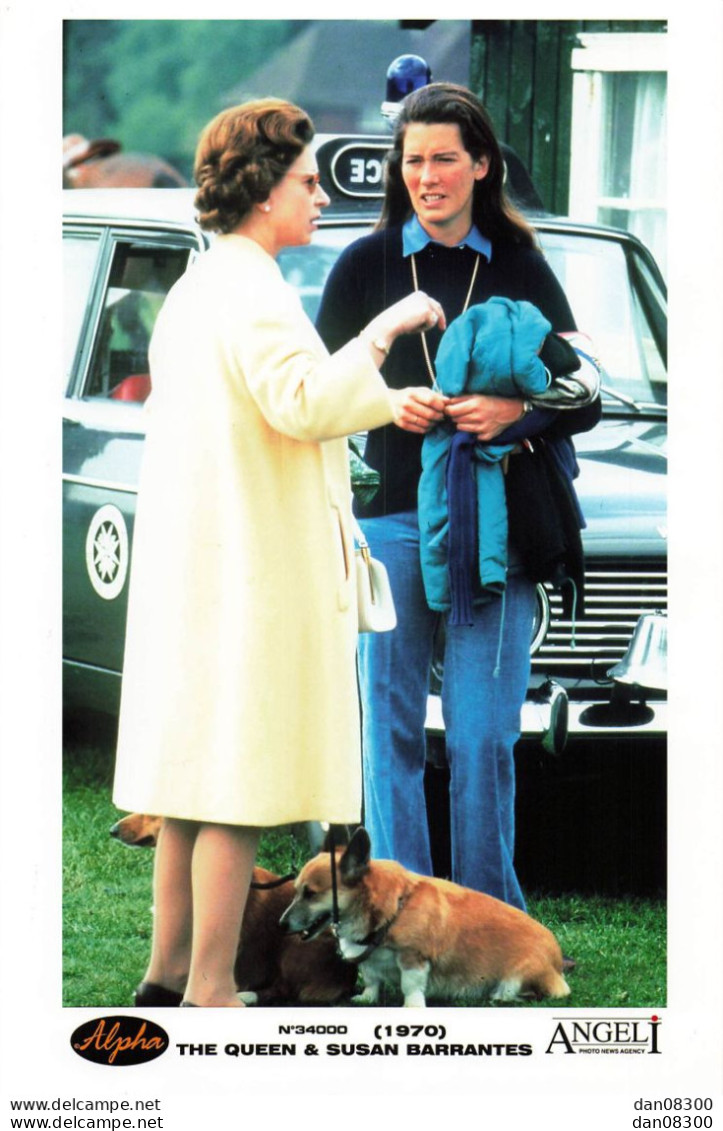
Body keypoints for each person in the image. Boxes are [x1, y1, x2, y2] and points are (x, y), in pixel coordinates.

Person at [112, 98, 446, 1008]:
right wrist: (380, 334)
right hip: (247, 575)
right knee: (236, 784)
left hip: (207, 566)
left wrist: (379, 399)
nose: (316, 197)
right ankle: (211, 987)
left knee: (190, 781)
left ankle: (167, 972)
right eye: (304, 182)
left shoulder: (202, 283)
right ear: (263, 190)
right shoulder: (252, 285)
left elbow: (273, 407)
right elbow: (298, 401)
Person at [316, 82, 601, 912]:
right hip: (391, 525)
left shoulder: (520, 264)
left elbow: (585, 389)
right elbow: (317, 396)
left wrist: (515, 412)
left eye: (445, 159)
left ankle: (488, 922)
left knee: (481, 736)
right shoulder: (364, 264)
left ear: (482, 165)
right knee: (391, 732)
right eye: (413, 162)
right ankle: (396, 918)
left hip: (497, 524)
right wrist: (385, 403)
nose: (427, 177)